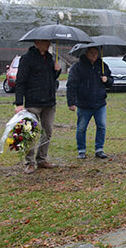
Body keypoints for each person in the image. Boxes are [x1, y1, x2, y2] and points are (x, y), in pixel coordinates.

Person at [14, 39, 61, 174]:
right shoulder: (27, 58)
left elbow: (52, 78)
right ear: (38, 42)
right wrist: (19, 103)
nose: (49, 44)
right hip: (33, 102)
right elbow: (20, 82)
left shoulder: (49, 58)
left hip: (49, 102)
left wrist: (57, 71)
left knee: (47, 132)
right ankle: (29, 162)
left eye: (49, 42)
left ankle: (42, 159)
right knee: (30, 132)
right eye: (46, 42)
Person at [67, 47, 112, 159]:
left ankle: (99, 149)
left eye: (96, 53)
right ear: (86, 53)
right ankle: (81, 150)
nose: (94, 55)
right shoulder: (77, 67)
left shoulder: (102, 66)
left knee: (101, 126)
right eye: (91, 53)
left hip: (100, 103)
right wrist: (71, 102)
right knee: (81, 128)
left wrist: (107, 80)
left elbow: (111, 81)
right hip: (84, 104)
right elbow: (71, 85)